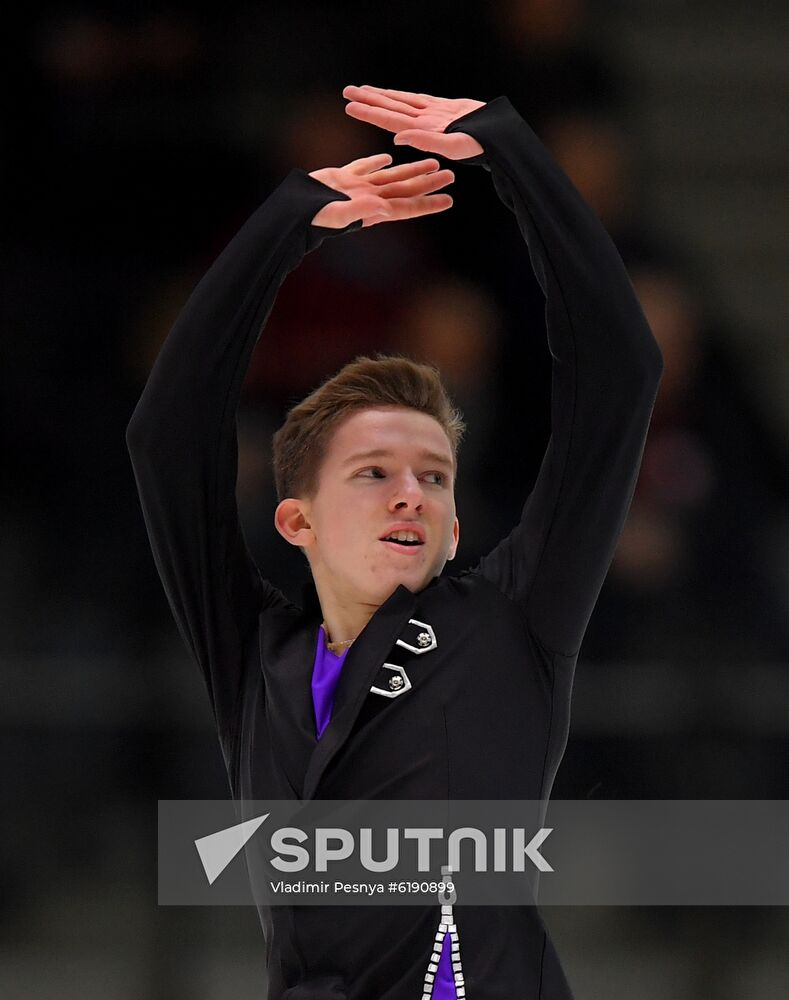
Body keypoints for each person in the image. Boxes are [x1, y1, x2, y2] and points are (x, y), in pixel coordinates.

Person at [126, 84, 663, 1000]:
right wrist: (287, 226)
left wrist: (509, 155)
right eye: (373, 472)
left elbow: (620, 372)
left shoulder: (512, 621)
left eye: (434, 477)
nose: (410, 493)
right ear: (296, 520)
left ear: (454, 529)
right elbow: (165, 439)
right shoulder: (253, 655)